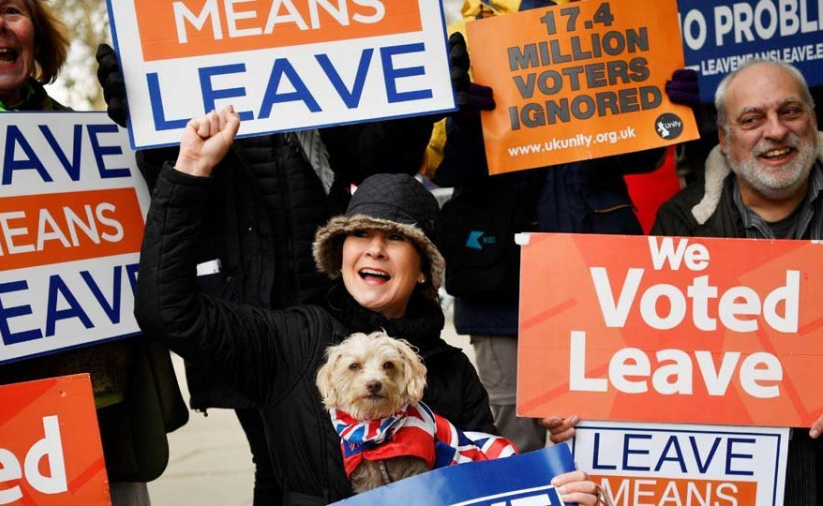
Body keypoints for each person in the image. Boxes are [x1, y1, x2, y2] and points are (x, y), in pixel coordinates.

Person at [135, 105, 611, 505]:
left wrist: (555, 483)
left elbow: (485, 488)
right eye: (359, 234)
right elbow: (167, 310)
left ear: (424, 267)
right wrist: (191, 171)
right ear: (338, 254)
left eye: (396, 240)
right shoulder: (289, 338)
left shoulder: (452, 373)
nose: (374, 249)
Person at [95, 41, 436, 504]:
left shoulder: (316, 55)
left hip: (329, 306)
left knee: (350, 458)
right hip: (247, 314)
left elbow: (377, 164)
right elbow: (170, 176)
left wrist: (412, 104)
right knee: (278, 463)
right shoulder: (184, 52)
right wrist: (149, 113)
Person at [0, 1, 189, 504]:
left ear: (36, 36)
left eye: (11, 10)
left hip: (100, 410)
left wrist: (152, 139)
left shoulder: (94, 139)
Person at [431, 0, 696, 454]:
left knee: (612, 433)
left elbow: (643, 156)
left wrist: (675, 112)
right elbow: (439, 166)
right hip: (502, 290)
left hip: (604, 280)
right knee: (515, 442)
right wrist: (460, 117)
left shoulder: (611, 18)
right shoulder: (465, 33)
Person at [652, 60, 823, 505]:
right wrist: (593, 416)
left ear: (813, 119)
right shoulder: (681, 223)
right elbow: (650, 360)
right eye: (752, 119)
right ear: (724, 140)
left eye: (790, 112)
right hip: (733, 475)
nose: (776, 131)